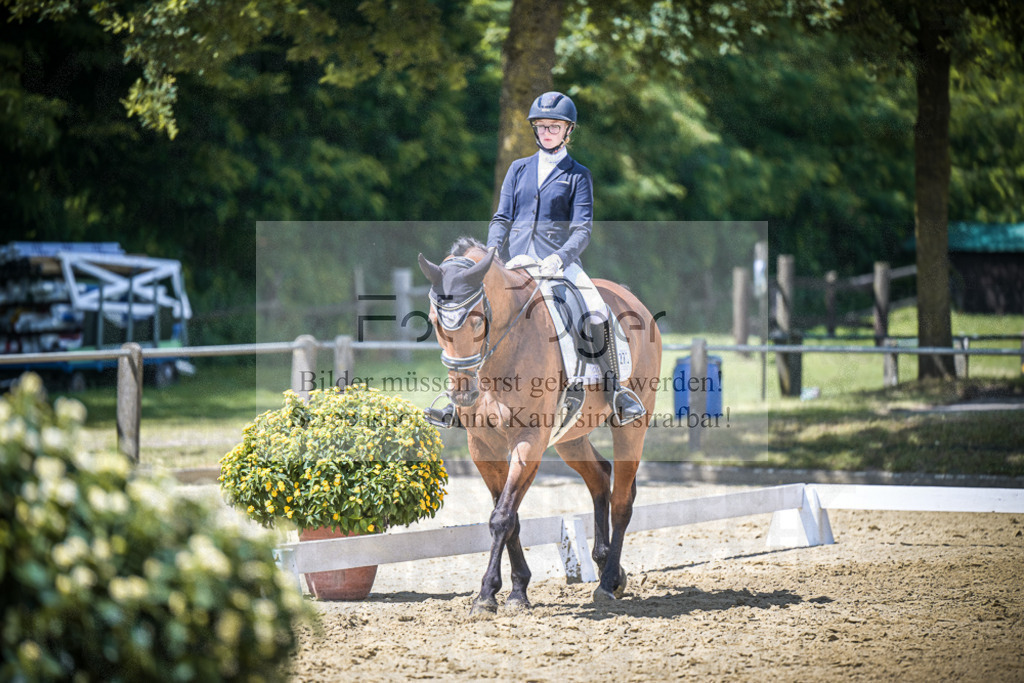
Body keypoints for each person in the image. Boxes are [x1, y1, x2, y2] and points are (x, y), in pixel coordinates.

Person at [485, 91, 645, 426]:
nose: (546, 132)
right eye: (541, 127)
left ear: (568, 131)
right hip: (519, 264)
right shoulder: (518, 169)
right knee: (481, 311)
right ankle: (463, 397)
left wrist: (559, 258)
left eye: (553, 127)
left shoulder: (577, 175)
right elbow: (502, 217)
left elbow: (582, 229)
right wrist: (492, 251)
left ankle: (616, 392)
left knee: (596, 310)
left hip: (560, 265)